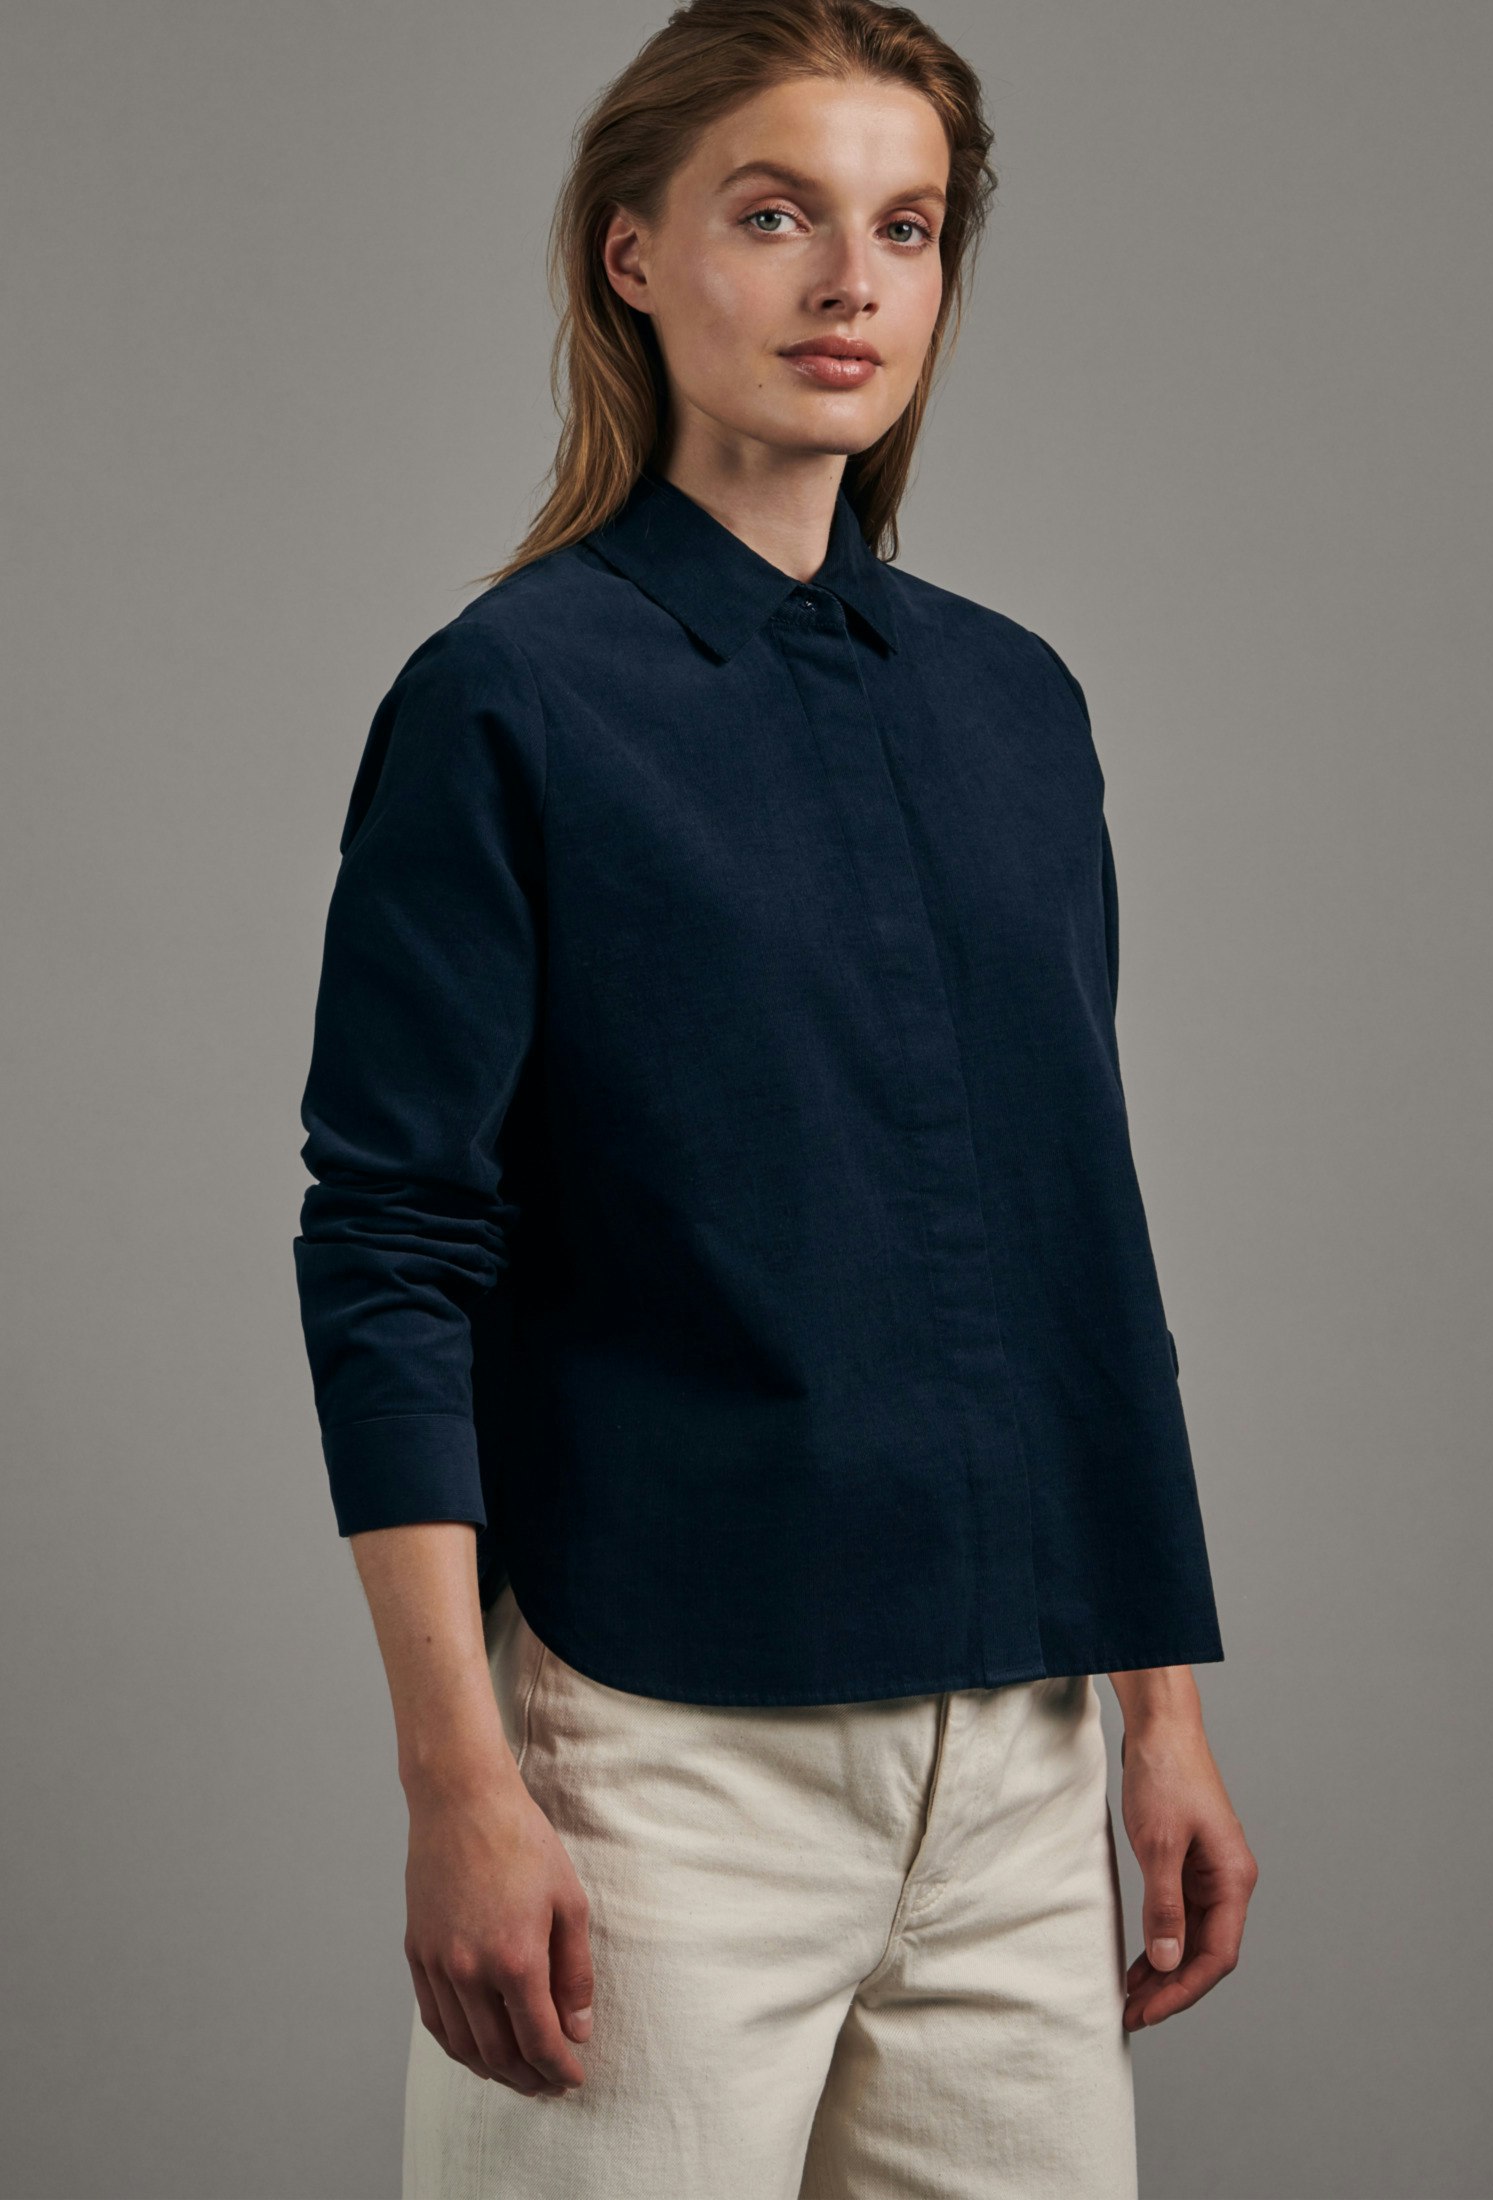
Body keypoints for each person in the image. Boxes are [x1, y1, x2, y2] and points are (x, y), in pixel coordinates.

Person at [291, 1, 1258, 2192]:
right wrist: (459, 1778)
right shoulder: (507, 698)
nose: (850, 283)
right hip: (656, 1752)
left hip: (1018, 1766)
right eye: (775, 214)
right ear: (632, 254)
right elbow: (392, 1244)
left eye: (904, 228)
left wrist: (1160, 1709)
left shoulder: (1018, 707)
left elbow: (1072, 1235)